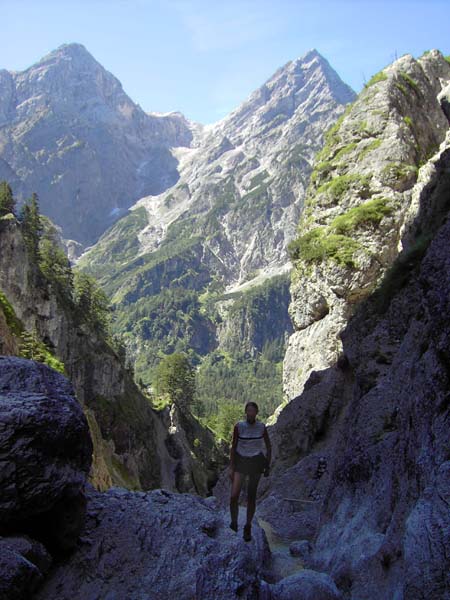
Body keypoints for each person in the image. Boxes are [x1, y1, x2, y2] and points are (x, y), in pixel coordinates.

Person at [229, 401, 272, 542]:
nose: (251, 413)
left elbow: (268, 446)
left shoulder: (261, 427)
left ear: (256, 413)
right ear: (246, 412)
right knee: (234, 496)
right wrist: (232, 467)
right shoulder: (239, 427)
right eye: (249, 410)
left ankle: (247, 526)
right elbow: (234, 446)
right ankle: (234, 522)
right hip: (241, 461)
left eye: (253, 411)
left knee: (251, 496)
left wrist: (267, 464)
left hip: (255, 462)